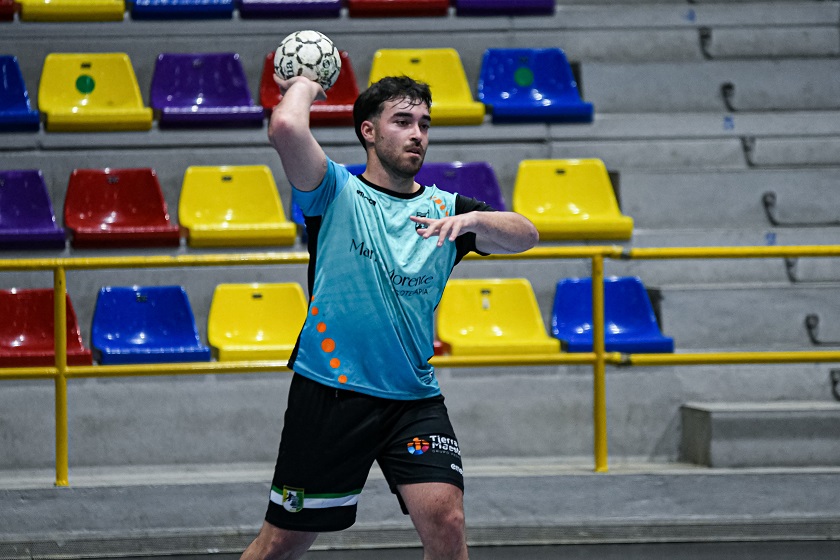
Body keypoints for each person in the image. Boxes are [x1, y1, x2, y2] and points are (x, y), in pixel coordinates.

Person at [240, 73, 539, 560]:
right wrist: (308, 80)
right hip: (333, 391)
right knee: (281, 545)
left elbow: (526, 235)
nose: (417, 133)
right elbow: (286, 128)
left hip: (412, 398)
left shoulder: (447, 211)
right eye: (402, 121)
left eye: (424, 123)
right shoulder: (333, 191)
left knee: (447, 521)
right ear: (368, 132)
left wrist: (475, 220)